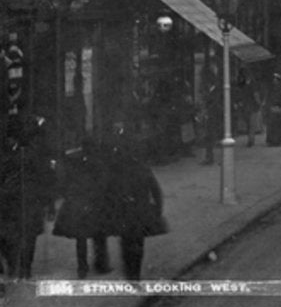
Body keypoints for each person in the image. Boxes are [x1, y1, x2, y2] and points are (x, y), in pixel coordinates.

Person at [104, 126, 166, 281]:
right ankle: (135, 273)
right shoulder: (142, 169)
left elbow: (110, 191)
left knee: (126, 242)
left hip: (124, 211)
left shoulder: (117, 170)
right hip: (140, 211)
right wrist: (157, 211)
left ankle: (129, 272)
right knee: (138, 243)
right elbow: (156, 191)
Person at [0, 115, 57, 280]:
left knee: (23, 236)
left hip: (23, 202)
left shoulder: (19, 156)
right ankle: (22, 268)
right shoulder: (30, 155)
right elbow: (45, 179)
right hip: (24, 202)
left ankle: (21, 268)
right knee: (24, 237)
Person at [53, 138, 112, 279]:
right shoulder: (98, 163)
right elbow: (103, 183)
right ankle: (101, 264)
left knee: (81, 237)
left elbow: (65, 181)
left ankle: (82, 268)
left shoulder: (73, 161)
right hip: (94, 203)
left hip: (77, 203)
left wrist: (69, 196)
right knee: (99, 235)